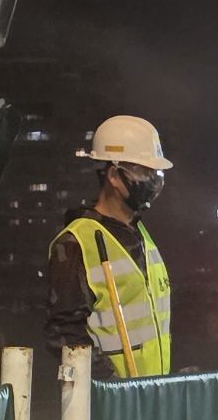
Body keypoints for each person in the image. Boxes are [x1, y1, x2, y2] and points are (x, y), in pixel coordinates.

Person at [46, 115, 174, 378]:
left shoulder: (141, 234)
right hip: (111, 399)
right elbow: (65, 334)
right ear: (114, 175)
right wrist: (110, 386)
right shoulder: (76, 243)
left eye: (154, 173)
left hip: (153, 393)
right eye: (142, 171)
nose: (151, 181)